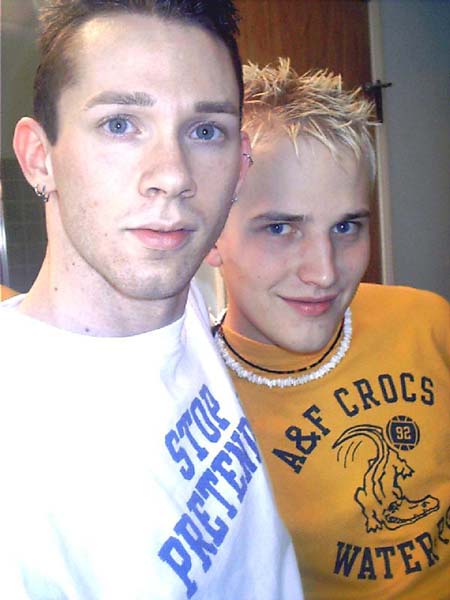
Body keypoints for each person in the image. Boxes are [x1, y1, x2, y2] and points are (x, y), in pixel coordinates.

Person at [0, 5, 303, 598]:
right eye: (120, 124)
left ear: (239, 165)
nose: (173, 175)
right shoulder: (20, 489)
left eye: (205, 131)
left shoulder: (186, 298)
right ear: (39, 157)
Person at [206, 59, 450, 599]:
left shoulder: (427, 323)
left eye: (346, 226)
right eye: (280, 227)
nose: (324, 272)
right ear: (211, 235)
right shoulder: (201, 404)